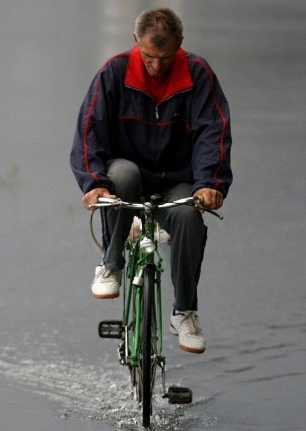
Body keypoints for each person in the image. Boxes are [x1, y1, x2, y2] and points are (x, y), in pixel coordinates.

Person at [69, 7, 232, 354]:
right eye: (148, 56)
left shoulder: (198, 74)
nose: (156, 66)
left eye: (166, 57)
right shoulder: (114, 73)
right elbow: (89, 131)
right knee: (123, 175)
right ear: (135, 43)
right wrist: (93, 182)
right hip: (128, 177)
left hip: (177, 181)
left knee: (189, 217)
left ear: (181, 46)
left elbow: (212, 133)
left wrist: (210, 183)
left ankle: (184, 311)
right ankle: (111, 265)